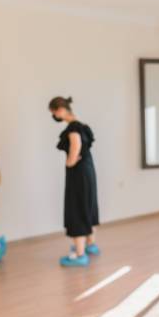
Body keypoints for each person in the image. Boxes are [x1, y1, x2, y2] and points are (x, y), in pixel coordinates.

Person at [49, 96, 100, 267]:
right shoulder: (82, 125)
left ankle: (80, 255)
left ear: (60, 110)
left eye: (53, 112)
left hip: (78, 172)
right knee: (88, 204)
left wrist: (70, 161)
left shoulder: (73, 128)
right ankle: (91, 245)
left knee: (77, 207)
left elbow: (76, 144)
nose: (54, 116)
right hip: (89, 169)